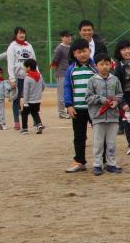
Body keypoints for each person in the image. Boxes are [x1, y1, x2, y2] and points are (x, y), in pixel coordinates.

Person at [0, 26, 35, 131]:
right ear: (15, 35)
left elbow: (34, 61)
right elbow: (8, 59)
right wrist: (12, 79)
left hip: (28, 77)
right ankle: (17, 122)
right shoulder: (13, 46)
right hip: (18, 77)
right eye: (19, 33)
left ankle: (36, 120)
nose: (22, 35)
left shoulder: (29, 46)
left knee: (31, 99)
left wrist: (36, 74)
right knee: (16, 99)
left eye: (23, 33)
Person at [62, 39, 97, 173]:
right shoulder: (71, 70)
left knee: (99, 135)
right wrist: (69, 105)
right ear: (74, 54)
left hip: (94, 108)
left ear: (89, 51)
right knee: (79, 137)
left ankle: (103, 160)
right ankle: (80, 161)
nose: (82, 54)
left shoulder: (95, 67)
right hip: (78, 109)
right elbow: (67, 87)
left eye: (84, 51)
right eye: (78, 52)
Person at [86, 53, 123, 176]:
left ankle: (111, 164)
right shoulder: (92, 80)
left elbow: (120, 94)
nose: (105, 67)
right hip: (98, 117)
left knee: (111, 142)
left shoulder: (115, 79)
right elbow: (88, 97)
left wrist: (116, 102)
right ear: (96, 66)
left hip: (113, 116)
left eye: (107, 64)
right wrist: (100, 99)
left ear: (111, 65)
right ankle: (97, 165)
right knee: (98, 143)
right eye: (101, 64)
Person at [50, 30, 73, 119]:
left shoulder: (70, 47)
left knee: (70, 92)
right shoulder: (59, 48)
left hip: (70, 72)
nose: (69, 38)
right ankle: (61, 112)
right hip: (62, 73)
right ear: (62, 38)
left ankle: (69, 110)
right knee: (62, 93)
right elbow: (55, 61)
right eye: (67, 36)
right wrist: (57, 71)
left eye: (70, 36)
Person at [19, 58, 45, 135]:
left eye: (25, 67)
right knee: (35, 112)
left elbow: (26, 91)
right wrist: (38, 93)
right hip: (38, 100)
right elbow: (43, 86)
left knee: (24, 113)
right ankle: (39, 125)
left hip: (29, 101)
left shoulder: (27, 78)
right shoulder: (40, 75)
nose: (24, 68)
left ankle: (24, 129)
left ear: (29, 67)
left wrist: (25, 102)